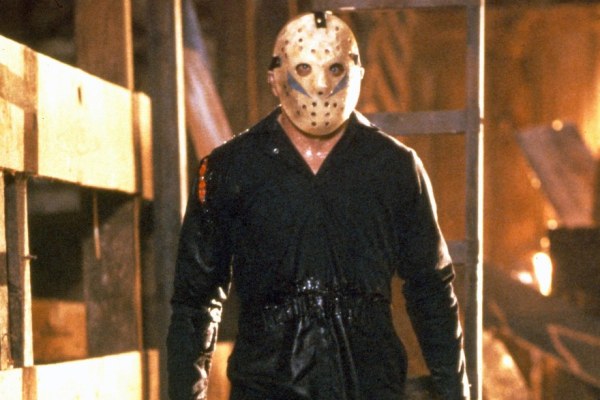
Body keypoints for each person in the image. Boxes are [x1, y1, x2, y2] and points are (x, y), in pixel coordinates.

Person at [167, 11, 470, 400]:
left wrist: (456, 393)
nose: (321, 85)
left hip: (369, 389)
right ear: (275, 78)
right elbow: (195, 301)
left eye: (335, 68)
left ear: (357, 73)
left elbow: (432, 291)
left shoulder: (394, 168)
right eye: (304, 68)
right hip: (267, 389)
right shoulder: (230, 170)